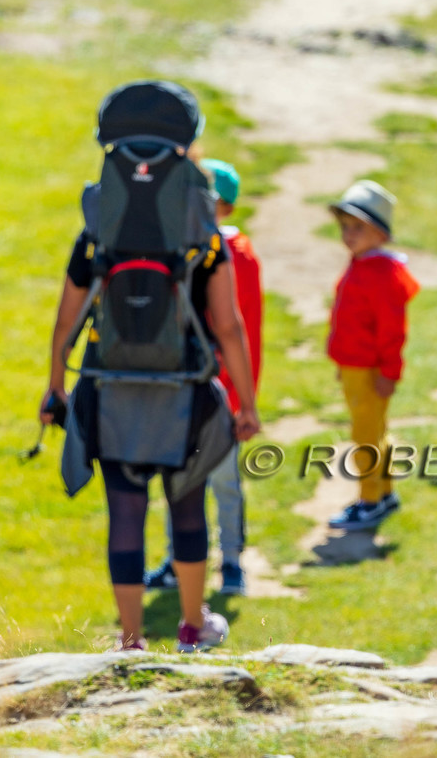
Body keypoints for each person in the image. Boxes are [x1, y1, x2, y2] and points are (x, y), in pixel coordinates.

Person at [42, 81, 261, 652]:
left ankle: (132, 638)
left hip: (109, 384)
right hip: (183, 384)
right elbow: (230, 325)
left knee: (125, 510)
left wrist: (55, 388)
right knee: (186, 504)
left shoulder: (97, 233)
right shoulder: (203, 236)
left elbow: (66, 323)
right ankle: (192, 627)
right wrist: (248, 403)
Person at [144, 159, 262, 596]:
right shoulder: (174, 248)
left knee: (225, 484)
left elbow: (240, 328)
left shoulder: (236, 255)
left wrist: (241, 399)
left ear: (225, 208)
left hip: (222, 392)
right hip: (179, 390)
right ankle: (177, 562)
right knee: (178, 483)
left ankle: (231, 561)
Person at [326, 180, 421, 532]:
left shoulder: (381, 274)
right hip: (353, 366)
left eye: (358, 227)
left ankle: (369, 501)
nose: (348, 234)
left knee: (365, 435)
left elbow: (392, 331)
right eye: (345, 227)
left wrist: (389, 372)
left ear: (380, 233)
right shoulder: (362, 262)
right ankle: (384, 492)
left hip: (369, 369)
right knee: (374, 430)